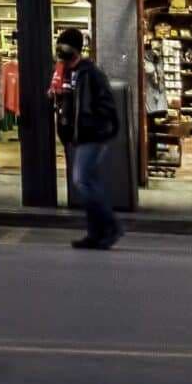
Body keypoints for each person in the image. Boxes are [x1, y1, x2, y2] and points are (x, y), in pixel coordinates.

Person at [52, 27, 123, 250]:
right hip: (82, 135)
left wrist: (95, 125)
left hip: (92, 135)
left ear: (75, 50)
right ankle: (95, 233)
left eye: (64, 48)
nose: (60, 52)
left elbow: (106, 105)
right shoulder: (71, 74)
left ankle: (110, 227)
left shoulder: (90, 73)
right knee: (88, 182)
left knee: (82, 180)